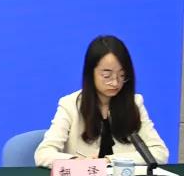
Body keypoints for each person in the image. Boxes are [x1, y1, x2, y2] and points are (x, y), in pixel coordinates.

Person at [34, 35, 169, 168]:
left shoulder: (134, 103)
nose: (115, 82)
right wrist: (77, 162)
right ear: (90, 73)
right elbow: (43, 153)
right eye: (107, 75)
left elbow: (160, 153)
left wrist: (109, 160)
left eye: (122, 75)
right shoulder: (70, 105)